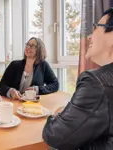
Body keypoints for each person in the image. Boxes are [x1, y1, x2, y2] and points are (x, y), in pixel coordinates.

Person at [42, 8, 113, 150]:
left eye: (96, 28)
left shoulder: (95, 82)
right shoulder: (16, 65)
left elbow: (54, 135)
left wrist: (57, 115)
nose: (89, 37)